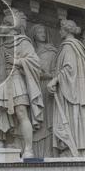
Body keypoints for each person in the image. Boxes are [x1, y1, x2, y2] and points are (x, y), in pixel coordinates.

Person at [0, 10, 44, 157]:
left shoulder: (23, 42)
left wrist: (17, 61)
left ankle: (29, 149)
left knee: (21, 112)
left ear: (11, 26)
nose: (1, 26)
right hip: (1, 82)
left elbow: (35, 62)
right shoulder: (0, 44)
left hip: (16, 80)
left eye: (4, 23)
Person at [47, 20, 85, 157]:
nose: (59, 32)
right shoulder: (77, 46)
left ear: (66, 30)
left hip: (71, 91)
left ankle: (79, 148)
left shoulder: (68, 46)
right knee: (81, 118)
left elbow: (69, 68)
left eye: (61, 29)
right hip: (76, 89)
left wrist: (54, 80)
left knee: (73, 117)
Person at [31, 23, 57, 157]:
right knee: (36, 119)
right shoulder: (31, 52)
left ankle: (49, 152)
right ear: (34, 35)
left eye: (44, 32)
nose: (42, 34)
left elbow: (57, 71)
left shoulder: (52, 51)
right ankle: (36, 152)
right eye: (39, 32)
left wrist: (49, 76)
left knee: (48, 119)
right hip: (34, 88)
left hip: (48, 87)